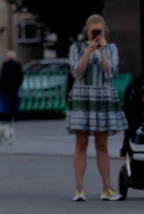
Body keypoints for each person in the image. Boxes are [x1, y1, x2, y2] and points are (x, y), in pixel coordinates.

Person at [66, 14, 127, 201]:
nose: (96, 35)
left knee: (102, 145)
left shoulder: (111, 49)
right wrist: (88, 51)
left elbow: (110, 72)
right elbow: (76, 72)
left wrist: (101, 51)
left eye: (99, 31)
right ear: (87, 30)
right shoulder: (77, 48)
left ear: (105, 31)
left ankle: (107, 188)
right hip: (82, 95)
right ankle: (79, 188)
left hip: (102, 96)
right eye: (94, 31)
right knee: (81, 143)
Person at [0, 50, 23, 123]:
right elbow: (20, 75)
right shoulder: (18, 65)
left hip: (7, 86)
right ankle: (15, 115)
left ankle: (9, 116)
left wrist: (2, 85)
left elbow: (3, 76)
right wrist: (18, 83)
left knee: (7, 101)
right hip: (15, 86)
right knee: (15, 101)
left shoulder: (5, 65)